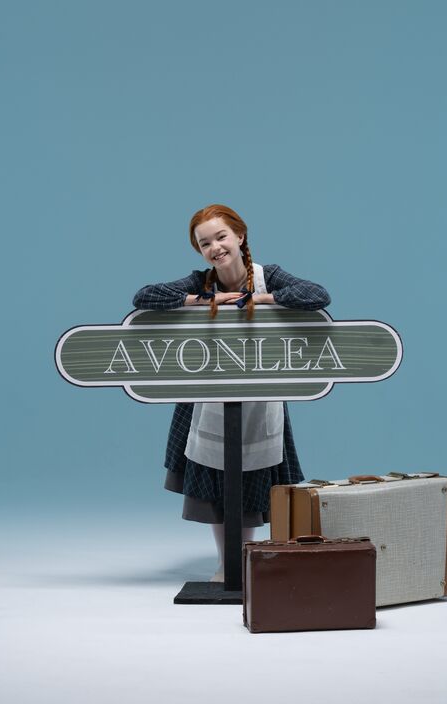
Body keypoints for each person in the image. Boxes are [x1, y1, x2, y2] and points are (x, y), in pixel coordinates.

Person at [132, 204, 330, 581]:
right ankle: (228, 565)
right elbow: (144, 296)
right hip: (205, 398)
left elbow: (317, 294)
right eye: (204, 243)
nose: (215, 247)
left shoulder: (267, 276)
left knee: (252, 481)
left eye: (221, 237)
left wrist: (262, 299)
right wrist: (205, 301)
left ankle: (243, 562)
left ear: (240, 236)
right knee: (217, 481)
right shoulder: (199, 281)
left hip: (260, 399)